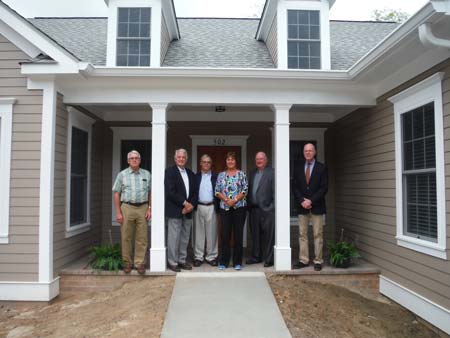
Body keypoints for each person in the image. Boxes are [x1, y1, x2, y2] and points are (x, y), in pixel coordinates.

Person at [112, 150, 151, 275]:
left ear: (140, 160)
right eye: (132, 158)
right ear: (128, 161)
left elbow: (150, 192)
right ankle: (127, 263)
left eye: (137, 158)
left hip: (143, 207)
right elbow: (117, 193)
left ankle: (139, 263)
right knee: (126, 237)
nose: (134, 160)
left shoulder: (146, 174)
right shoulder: (122, 175)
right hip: (127, 207)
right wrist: (118, 212)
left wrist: (150, 208)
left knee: (142, 237)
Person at [292, 143, 328, 271]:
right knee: (302, 234)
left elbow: (324, 188)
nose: (308, 153)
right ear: (303, 152)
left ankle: (318, 261)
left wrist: (311, 200)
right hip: (302, 206)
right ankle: (304, 260)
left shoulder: (321, 168)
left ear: (315, 152)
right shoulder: (297, 167)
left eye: (310, 151)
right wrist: (302, 200)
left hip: (317, 206)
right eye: (305, 151)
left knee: (318, 234)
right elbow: (295, 186)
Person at [165, 149, 198, 272]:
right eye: (179, 157)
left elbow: (195, 192)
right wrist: (184, 203)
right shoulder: (170, 172)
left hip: (188, 211)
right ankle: (172, 262)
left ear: (186, 158)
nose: (181, 159)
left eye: (183, 157)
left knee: (184, 237)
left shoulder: (190, 173)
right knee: (173, 237)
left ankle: (182, 260)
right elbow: (170, 192)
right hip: (175, 210)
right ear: (175, 158)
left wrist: (191, 205)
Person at [215, 152, 248, 270]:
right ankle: (224, 261)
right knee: (225, 235)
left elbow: (245, 190)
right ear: (226, 161)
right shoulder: (221, 175)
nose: (230, 161)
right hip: (225, 208)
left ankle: (237, 262)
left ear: (236, 161)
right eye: (228, 159)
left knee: (238, 235)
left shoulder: (241, 174)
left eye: (232, 160)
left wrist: (234, 200)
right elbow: (217, 191)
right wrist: (226, 200)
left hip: (239, 207)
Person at [246, 152, 275, 267]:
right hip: (254, 209)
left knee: (269, 236)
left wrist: (271, 207)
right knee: (255, 235)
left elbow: (275, 191)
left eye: (261, 159)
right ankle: (256, 257)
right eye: (257, 159)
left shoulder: (272, 173)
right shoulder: (252, 173)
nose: (259, 161)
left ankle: (269, 259)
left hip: (267, 210)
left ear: (266, 160)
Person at [193, 154, 219, 267]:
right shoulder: (195, 177)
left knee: (212, 233)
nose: (206, 164)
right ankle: (198, 256)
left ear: (211, 164)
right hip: (198, 206)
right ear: (200, 163)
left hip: (212, 206)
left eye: (208, 162)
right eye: (204, 162)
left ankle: (211, 256)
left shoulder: (216, 176)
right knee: (198, 233)